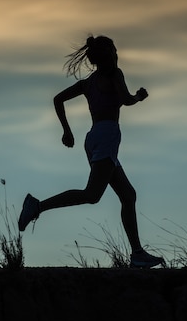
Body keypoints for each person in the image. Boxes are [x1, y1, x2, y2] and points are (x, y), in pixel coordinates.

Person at [19, 35, 164, 268]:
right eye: (115, 51)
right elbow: (126, 100)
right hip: (107, 136)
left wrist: (67, 131)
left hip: (94, 137)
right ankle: (37, 207)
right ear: (109, 54)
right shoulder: (114, 74)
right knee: (92, 195)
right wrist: (139, 96)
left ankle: (137, 253)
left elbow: (58, 99)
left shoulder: (89, 83)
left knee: (128, 195)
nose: (117, 55)